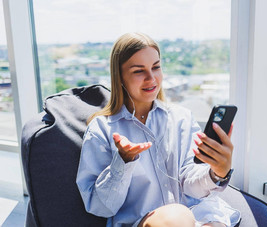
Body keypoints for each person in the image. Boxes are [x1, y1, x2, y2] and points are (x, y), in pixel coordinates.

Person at [76, 32, 241, 227]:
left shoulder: (181, 118)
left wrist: (216, 173)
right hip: (145, 222)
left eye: (156, 67)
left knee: (207, 221)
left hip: (194, 218)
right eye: (139, 71)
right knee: (176, 217)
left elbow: (190, 184)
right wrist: (123, 162)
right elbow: (100, 207)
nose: (151, 78)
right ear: (119, 76)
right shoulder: (101, 129)